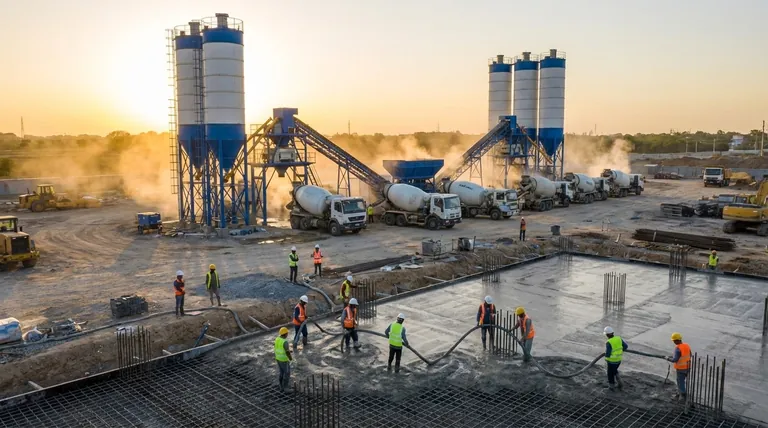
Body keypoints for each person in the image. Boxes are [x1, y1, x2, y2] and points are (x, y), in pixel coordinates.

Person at [667, 332, 692, 401]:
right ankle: (681, 392)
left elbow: (675, 360)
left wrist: (668, 358)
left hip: (681, 368)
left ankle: (682, 395)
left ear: (676, 340)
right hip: (688, 367)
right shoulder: (686, 345)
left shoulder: (677, 348)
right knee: (683, 381)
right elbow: (689, 355)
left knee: (680, 381)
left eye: (674, 341)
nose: (674, 342)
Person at [604, 326, 628, 390]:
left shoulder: (609, 342)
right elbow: (625, 346)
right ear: (613, 333)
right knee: (614, 371)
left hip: (611, 361)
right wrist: (619, 351)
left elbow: (608, 354)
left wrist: (605, 357)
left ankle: (613, 386)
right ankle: (620, 384)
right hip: (618, 360)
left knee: (610, 373)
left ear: (607, 335)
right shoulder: (618, 338)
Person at [274, 327, 293, 392]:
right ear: (285, 334)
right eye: (287, 333)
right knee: (287, 373)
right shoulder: (285, 342)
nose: (287, 334)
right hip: (284, 359)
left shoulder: (277, 339)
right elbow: (287, 352)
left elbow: (279, 348)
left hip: (278, 358)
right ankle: (285, 388)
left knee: (281, 372)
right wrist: (290, 359)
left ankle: (281, 386)